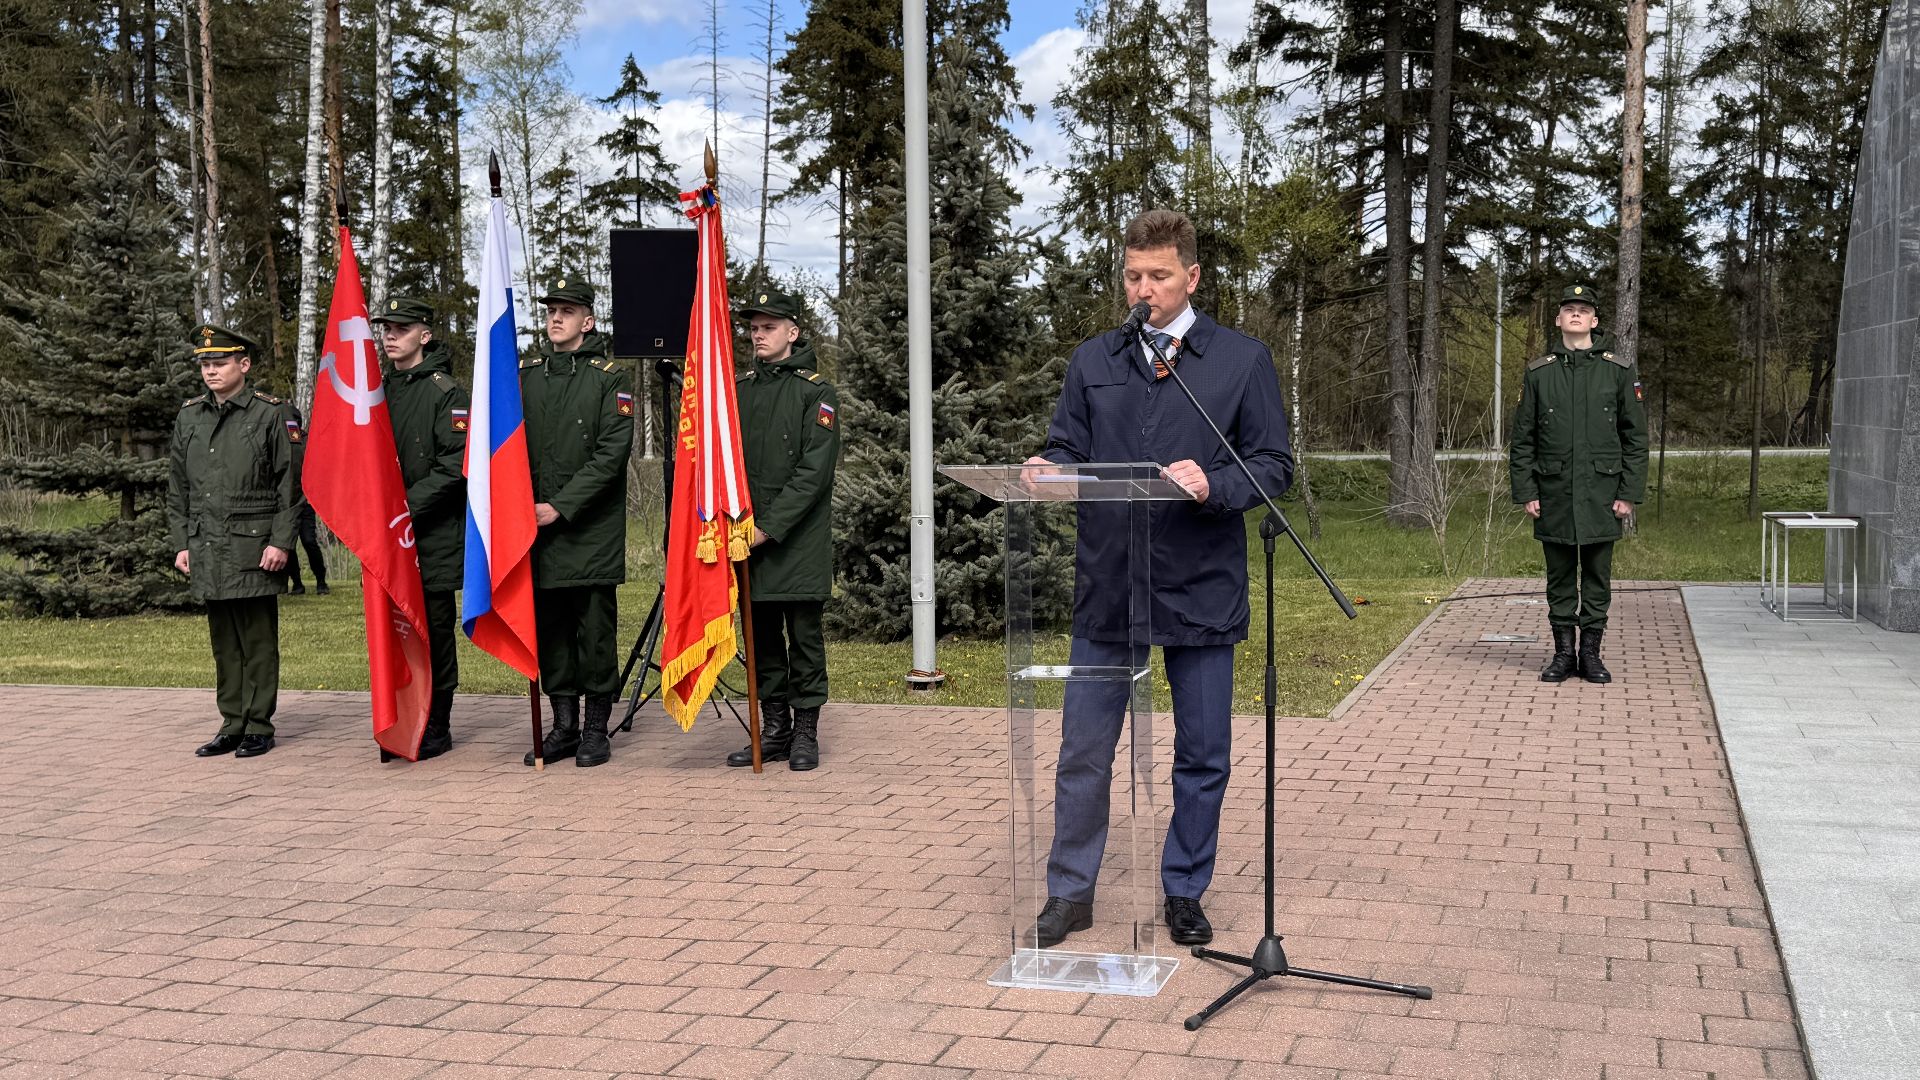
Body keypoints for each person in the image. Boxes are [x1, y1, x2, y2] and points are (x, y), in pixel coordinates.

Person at [1024, 209, 1293, 948]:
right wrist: (1048, 467)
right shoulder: (1095, 359)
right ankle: (1069, 892)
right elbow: (1066, 445)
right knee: (1083, 748)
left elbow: (1273, 465)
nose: (1144, 290)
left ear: (1192, 276)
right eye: (1133, 276)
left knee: (1202, 752)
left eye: (1159, 276)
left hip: (1199, 583)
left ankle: (1184, 889)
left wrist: (1214, 482)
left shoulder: (1240, 361)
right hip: (1109, 584)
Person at [167, 324, 303, 759]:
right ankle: (231, 724)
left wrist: (281, 542)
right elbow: (178, 487)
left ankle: (258, 724)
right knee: (224, 642)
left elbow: (291, 486)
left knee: (257, 640)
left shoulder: (272, 413)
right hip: (207, 544)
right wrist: (182, 542)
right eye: (205, 363)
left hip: (254, 546)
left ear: (243, 365)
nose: (211, 370)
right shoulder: (190, 416)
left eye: (220, 362)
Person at [723, 288, 840, 772]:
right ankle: (774, 730)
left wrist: (767, 529)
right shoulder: (739, 390)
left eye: (768, 327)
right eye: (753, 328)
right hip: (747, 537)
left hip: (797, 541)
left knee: (804, 640)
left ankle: (805, 732)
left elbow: (813, 473)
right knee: (762, 640)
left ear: (793, 332)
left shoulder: (816, 392)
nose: (758, 335)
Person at [1508, 282, 1649, 684]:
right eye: (1569, 309)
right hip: (1553, 493)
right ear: (1558, 319)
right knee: (1560, 578)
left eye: (1583, 310)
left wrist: (1628, 493)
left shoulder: (1617, 371)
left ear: (1594, 320)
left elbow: (1635, 438)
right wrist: (1527, 491)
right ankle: (1563, 655)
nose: (1576, 314)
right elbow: (1523, 440)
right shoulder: (1540, 373)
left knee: (1598, 578)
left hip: (1602, 494)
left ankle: (1590, 655)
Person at [521, 274, 632, 768]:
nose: (556, 319)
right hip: (535, 531)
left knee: (594, 635)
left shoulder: (610, 379)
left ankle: (594, 729)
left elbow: (610, 456)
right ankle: (564, 726)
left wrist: (560, 506)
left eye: (566, 311)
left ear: (587, 321)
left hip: (588, 532)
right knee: (552, 634)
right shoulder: (526, 376)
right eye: (551, 311)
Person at [372, 295, 469, 759]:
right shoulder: (376, 392)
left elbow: (456, 463)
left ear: (424, 336)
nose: (391, 336)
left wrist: (404, 507)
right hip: (384, 536)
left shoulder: (445, 392)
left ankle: (437, 723)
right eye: (386, 329)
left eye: (402, 329)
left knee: (433, 628)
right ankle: (402, 717)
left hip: (431, 532)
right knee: (391, 629)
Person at [282, 406, 329, 596]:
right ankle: (297, 583)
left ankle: (321, 581)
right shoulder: (280, 439)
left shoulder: (307, 441)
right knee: (288, 544)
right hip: (286, 502)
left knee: (309, 541)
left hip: (305, 501)